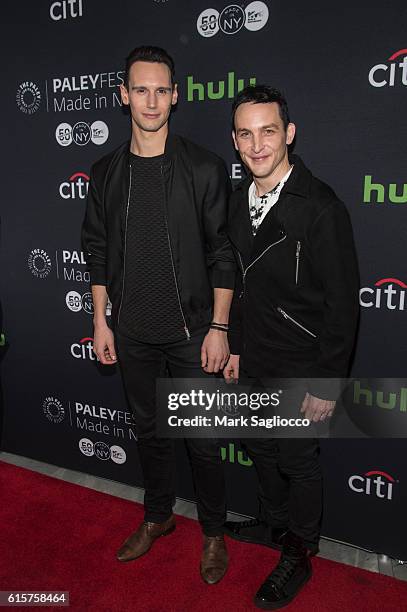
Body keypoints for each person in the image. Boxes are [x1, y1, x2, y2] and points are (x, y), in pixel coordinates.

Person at [82, 46, 235, 584]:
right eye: (140, 90)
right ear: (123, 96)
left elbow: (222, 253)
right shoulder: (105, 172)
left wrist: (218, 327)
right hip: (133, 332)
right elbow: (96, 250)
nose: (151, 101)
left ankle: (213, 534)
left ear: (176, 96)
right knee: (150, 433)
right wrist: (102, 321)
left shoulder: (204, 168)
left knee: (204, 442)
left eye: (161, 90)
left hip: (193, 334)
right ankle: (158, 516)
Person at [223, 85, 359, 608]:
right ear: (235, 140)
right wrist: (234, 346)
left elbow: (344, 305)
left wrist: (328, 381)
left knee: (298, 462)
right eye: (246, 134)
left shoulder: (321, 208)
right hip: (253, 354)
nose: (258, 145)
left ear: (290, 134)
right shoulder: (238, 203)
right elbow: (235, 285)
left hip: (302, 364)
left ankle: (299, 551)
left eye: (269, 131)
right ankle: (273, 524)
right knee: (260, 448)